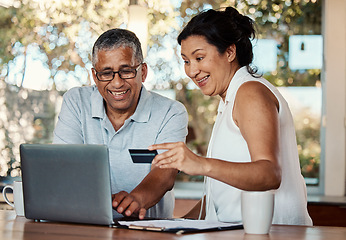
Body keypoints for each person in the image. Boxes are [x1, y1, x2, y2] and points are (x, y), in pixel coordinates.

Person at [149, 7, 312, 225]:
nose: (191, 71)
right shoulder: (231, 99)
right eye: (186, 61)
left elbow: (269, 174)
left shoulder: (250, 92)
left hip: (275, 233)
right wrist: (176, 225)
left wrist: (200, 163)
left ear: (229, 52)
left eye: (199, 57)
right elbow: (224, 194)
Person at [53, 28, 188, 219]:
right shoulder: (76, 102)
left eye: (126, 71)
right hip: (86, 226)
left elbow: (165, 174)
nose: (117, 83)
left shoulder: (171, 112)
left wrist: (137, 199)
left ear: (143, 71)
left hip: (147, 231)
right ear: (94, 76)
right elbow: (64, 166)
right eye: (106, 73)